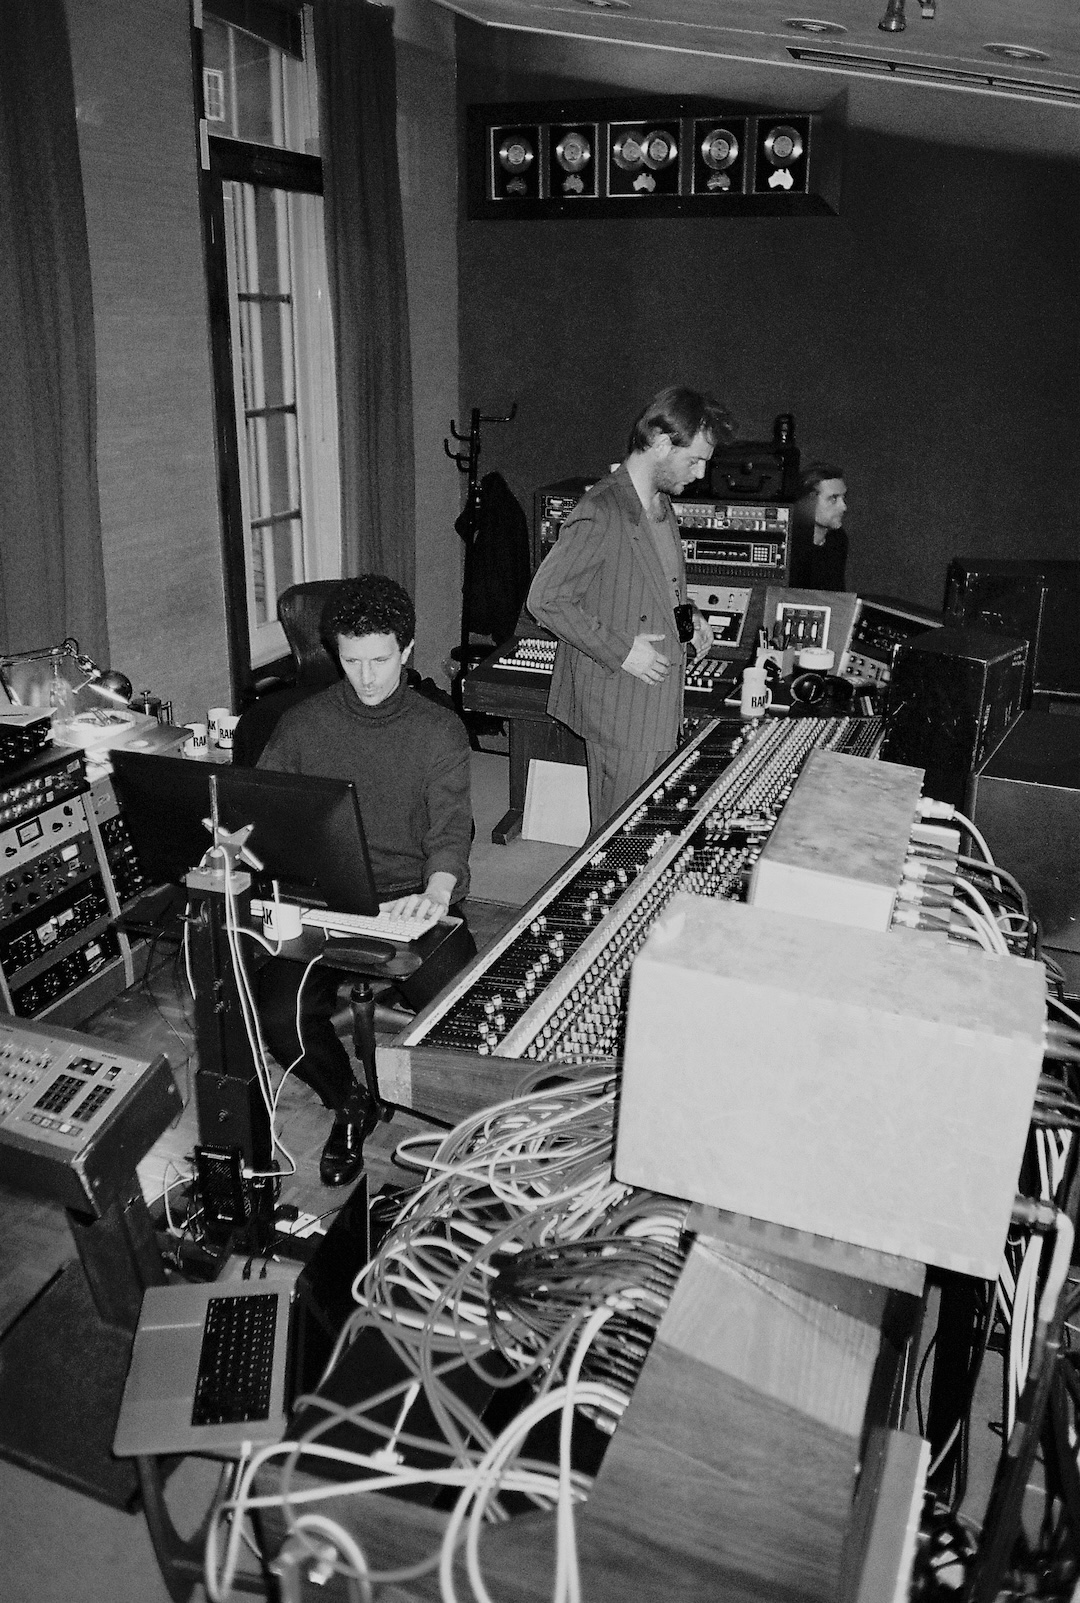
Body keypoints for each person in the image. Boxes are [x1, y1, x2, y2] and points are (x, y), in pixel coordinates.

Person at [255, 575, 474, 1187]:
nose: (368, 676)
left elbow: (451, 828)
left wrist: (436, 891)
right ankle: (347, 1101)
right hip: (325, 897)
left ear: (405, 651)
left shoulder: (439, 730)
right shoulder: (302, 725)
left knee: (465, 1015)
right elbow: (264, 812)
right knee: (280, 1017)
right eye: (352, 662)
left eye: (380, 660)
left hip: (413, 894)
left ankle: (470, 1129)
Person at [527, 385, 735, 828]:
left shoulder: (660, 504)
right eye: (694, 460)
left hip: (660, 701)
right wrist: (623, 651)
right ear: (661, 443)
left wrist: (689, 615)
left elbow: (655, 586)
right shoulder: (601, 511)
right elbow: (546, 599)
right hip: (622, 707)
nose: (699, 474)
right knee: (619, 837)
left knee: (644, 828)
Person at [789, 462, 849, 591]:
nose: (843, 507)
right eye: (833, 498)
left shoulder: (837, 539)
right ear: (808, 501)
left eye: (843, 498)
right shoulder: (789, 543)